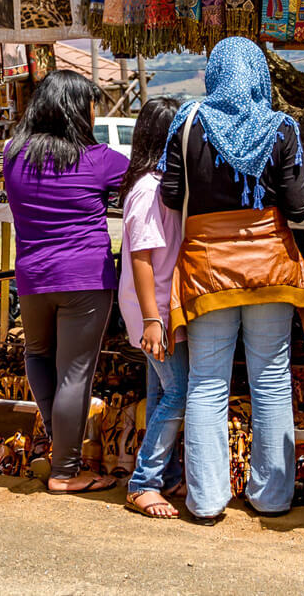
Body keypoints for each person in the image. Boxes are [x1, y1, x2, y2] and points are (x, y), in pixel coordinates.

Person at [159, 37, 304, 523]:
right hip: (271, 267)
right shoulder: (281, 128)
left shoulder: (186, 123)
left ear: (215, 73)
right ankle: (272, 498)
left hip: (208, 268)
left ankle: (205, 500)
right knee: (270, 379)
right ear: (260, 74)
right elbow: (301, 206)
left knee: (207, 383)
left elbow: (169, 195)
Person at [4, 69, 127, 494]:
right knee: (75, 374)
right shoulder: (99, 159)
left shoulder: (12, 154)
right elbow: (141, 183)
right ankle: (66, 471)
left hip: (33, 277)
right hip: (84, 278)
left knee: (37, 356)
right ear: (77, 109)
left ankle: (62, 446)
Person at [118, 97, 187, 520]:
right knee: (177, 389)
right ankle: (143, 481)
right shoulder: (148, 190)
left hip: (159, 308)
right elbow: (142, 257)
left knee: (162, 390)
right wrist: (152, 320)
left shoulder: (157, 184)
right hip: (154, 309)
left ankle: (166, 472)